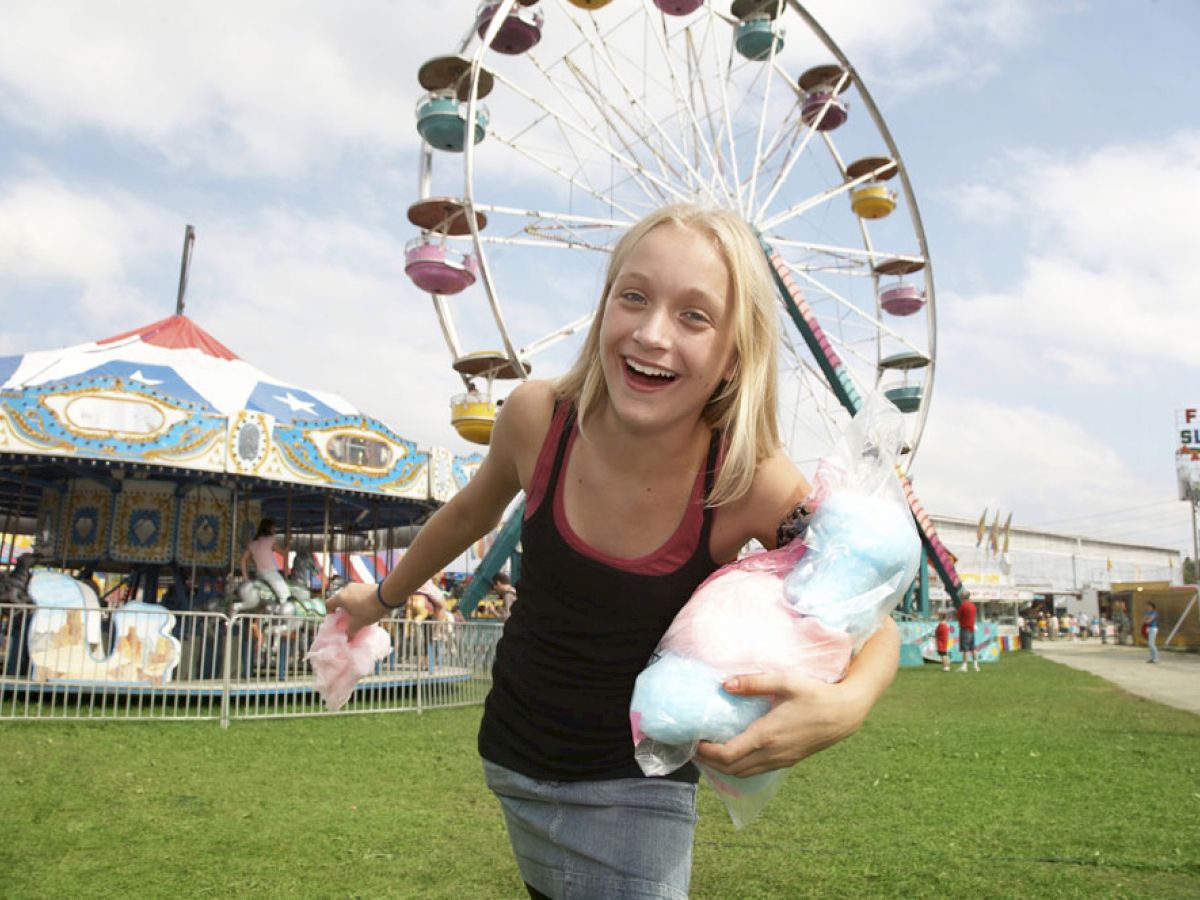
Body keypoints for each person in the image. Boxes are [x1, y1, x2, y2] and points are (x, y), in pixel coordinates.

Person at [327, 204, 900, 899]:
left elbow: (863, 602)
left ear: (734, 354)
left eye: (694, 316)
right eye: (634, 296)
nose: (652, 334)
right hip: (513, 751)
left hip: (639, 783)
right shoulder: (537, 418)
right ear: (604, 308)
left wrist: (850, 706)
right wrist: (380, 598)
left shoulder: (746, 475)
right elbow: (468, 512)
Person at [240, 518, 290, 604]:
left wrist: (245, 577)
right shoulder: (270, 540)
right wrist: (289, 543)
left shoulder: (252, 543)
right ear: (269, 529)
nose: (275, 530)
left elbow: (243, 560)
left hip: (259, 574)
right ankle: (284, 616)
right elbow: (284, 553)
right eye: (274, 528)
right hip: (271, 573)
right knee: (285, 594)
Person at [956, 589, 979, 672]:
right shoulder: (973, 605)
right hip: (971, 628)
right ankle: (976, 666)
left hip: (965, 628)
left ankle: (964, 666)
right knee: (973, 648)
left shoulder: (963, 605)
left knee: (965, 649)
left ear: (963, 596)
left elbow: (958, 616)